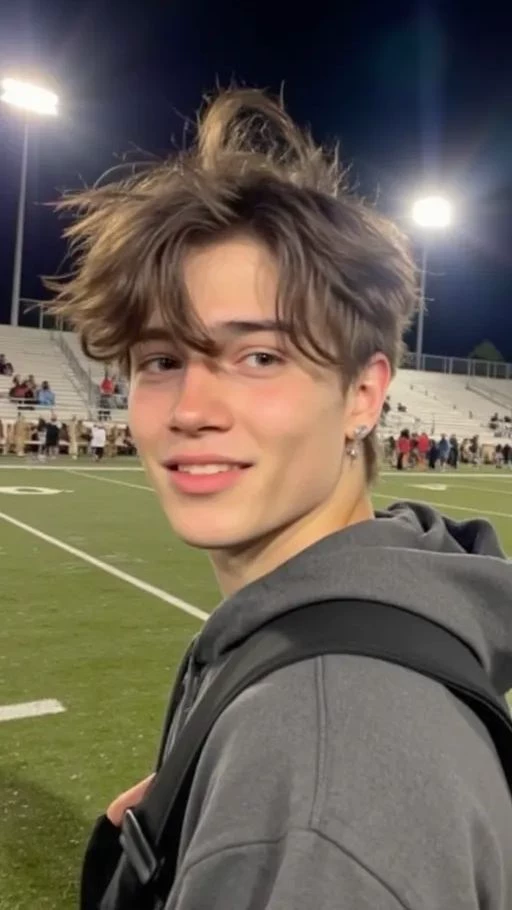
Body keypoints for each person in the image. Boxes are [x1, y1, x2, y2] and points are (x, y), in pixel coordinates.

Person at [46, 88, 512, 910]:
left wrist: (295, 804)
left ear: (364, 395)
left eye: (259, 357)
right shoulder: (335, 640)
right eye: (160, 360)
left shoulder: (329, 768)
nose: (192, 408)